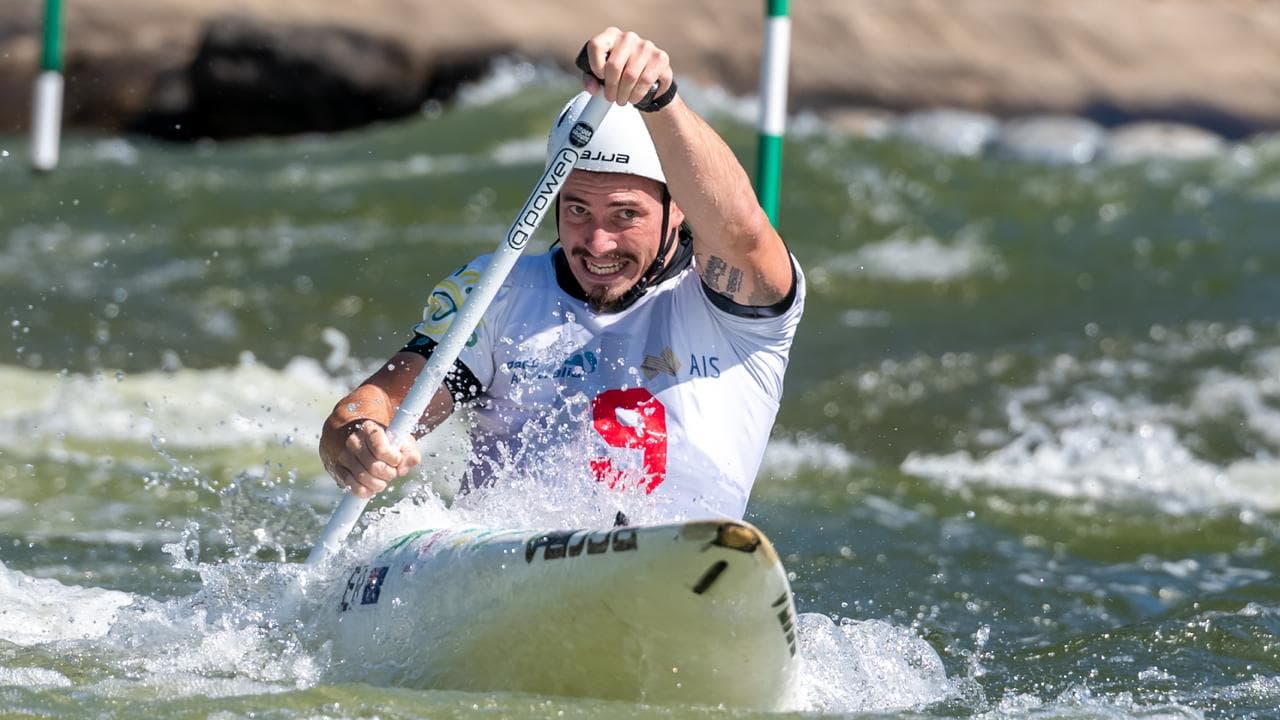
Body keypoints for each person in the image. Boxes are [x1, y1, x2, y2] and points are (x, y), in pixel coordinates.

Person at [319, 27, 804, 521]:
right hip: (502, 572)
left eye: (625, 216)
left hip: (681, 568)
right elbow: (368, 408)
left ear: (677, 207)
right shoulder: (499, 291)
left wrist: (661, 99)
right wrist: (358, 439)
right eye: (576, 210)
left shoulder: (734, 304)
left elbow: (741, 230)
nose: (596, 244)